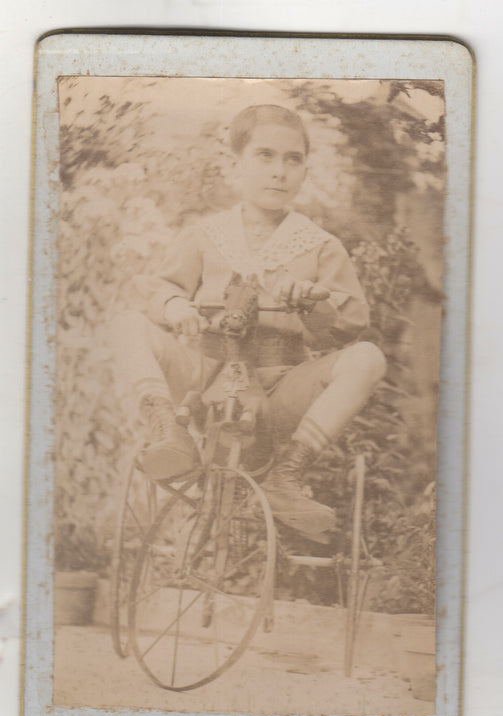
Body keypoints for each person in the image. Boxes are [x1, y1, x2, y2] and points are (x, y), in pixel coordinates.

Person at [111, 104, 386, 543]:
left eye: (292, 159)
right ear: (235, 162)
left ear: (304, 169)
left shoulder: (319, 245)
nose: (280, 171)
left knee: (368, 358)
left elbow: (347, 327)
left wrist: (312, 302)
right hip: (203, 380)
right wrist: (177, 306)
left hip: (278, 389)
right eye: (265, 155)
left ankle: (287, 474)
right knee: (126, 321)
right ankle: (171, 432)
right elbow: (160, 288)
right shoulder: (206, 234)